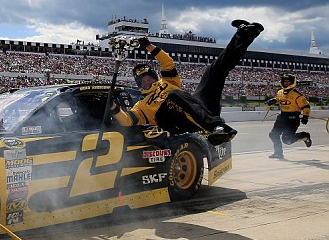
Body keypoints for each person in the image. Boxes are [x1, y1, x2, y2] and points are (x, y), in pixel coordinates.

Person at [110, 19, 263, 145]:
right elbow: (128, 120)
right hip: (177, 124)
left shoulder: (168, 81)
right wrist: (114, 107)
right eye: (143, 81)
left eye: (149, 77)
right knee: (173, 95)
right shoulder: (141, 106)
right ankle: (216, 127)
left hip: (198, 107)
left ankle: (245, 34)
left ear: (155, 77)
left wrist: (149, 47)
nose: (147, 81)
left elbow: (167, 63)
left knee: (214, 71)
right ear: (139, 84)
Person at [265, 73, 312, 159]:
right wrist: (273, 101)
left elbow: (306, 106)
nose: (286, 83)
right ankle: (278, 153)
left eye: (288, 82)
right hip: (282, 117)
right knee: (273, 135)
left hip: (292, 119)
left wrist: (305, 116)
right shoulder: (280, 92)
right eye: (284, 81)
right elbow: (279, 99)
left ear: (292, 82)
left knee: (287, 140)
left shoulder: (298, 95)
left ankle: (305, 136)